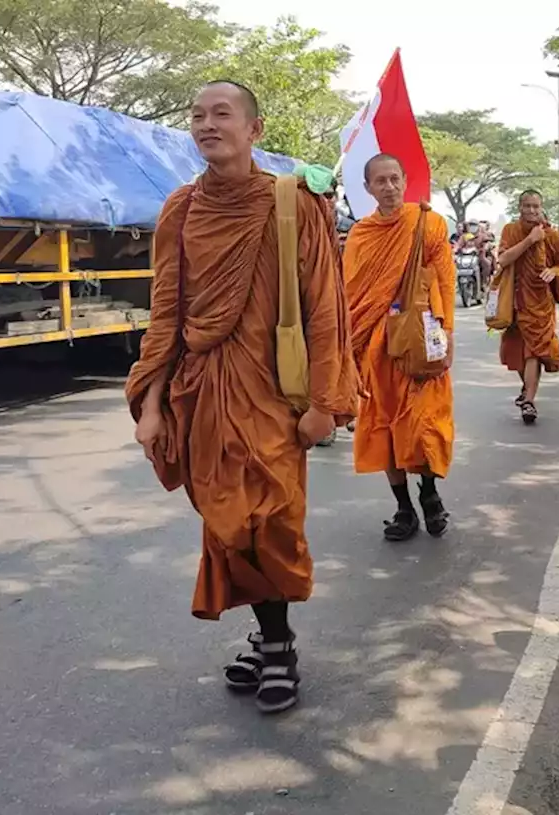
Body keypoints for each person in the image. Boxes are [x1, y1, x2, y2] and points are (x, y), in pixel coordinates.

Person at [125, 80, 358, 714]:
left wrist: (324, 402)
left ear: (254, 129)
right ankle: (270, 637)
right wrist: (150, 405)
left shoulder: (293, 203)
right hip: (201, 395)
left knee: (269, 521)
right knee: (228, 523)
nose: (206, 124)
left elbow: (325, 312)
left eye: (221, 114)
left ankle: (277, 646)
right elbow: (166, 313)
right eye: (196, 115)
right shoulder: (180, 209)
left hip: (273, 396)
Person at [343, 153, 456, 543]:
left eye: (394, 179)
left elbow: (444, 280)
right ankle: (403, 507)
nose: (389, 187)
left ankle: (429, 494)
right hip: (377, 347)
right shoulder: (361, 235)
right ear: (367, 188)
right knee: (385, 427)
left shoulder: (429, 223)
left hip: (421, 342)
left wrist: (449, 335)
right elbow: (351, 295)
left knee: (423, 420)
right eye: (380, 181)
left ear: (405, 180)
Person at [497, 189, 559, 424]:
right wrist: (529, 241)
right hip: (516, 301)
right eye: (527, 206)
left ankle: (529, 400)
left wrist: (554, 272)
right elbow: (504, 259)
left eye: (536, 207)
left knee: (534, 351)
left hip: (541, 304)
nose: (531, 211)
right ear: (519, 207)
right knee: (519, 351)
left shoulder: (553, 235)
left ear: (541, 207)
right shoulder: (511, 230)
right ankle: (526, 388)